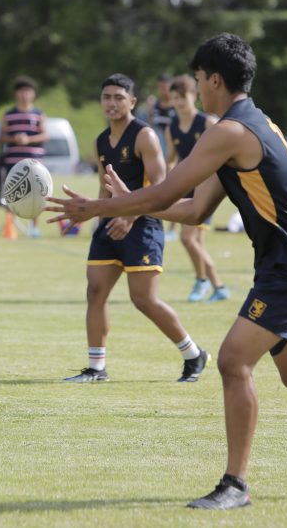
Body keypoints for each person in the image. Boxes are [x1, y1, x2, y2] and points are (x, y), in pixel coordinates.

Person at [48, 33, 287, 509]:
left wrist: (100, 205)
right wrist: (129, 206)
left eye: (198, 80)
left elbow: (161, 192)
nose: (196, 89)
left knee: (233, 361)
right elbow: (196, 209)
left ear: (214, 79)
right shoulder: (257, 125)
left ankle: (235, 485)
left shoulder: (228, 133)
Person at [63, 73, 209, 385]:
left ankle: (193, 353)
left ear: (132, 102)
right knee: (95, 291)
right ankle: (96, 367)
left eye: (118, 97)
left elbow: (161, 188)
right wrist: (91, 215)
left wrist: (129, 216)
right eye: (106, 97)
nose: (112, 103)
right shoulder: (101, 141)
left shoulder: (145, 136)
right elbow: (104, 190)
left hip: (143, 225)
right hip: (109, 226)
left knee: (143, 299)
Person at [165, 74, 229, 302]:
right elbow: (171, 160)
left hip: (206, 187)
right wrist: (168, 180)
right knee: (196, 243)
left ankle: (202, 283)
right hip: (187, 187)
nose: (179, 102)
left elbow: (220, 158)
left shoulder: (207, 123)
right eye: (174, 98)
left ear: (194, 95)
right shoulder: (172, 128)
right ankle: (218, 287)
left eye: (183, 96)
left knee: (187, 239)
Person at [0, 76, 48, 237]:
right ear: (16, 94)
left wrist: (29, 139)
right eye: (21, 92)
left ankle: (33, 228)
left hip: (35, 163)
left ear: (33, 94)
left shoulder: (38, 114)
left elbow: (45, 135)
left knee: (37, 195)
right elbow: (2, 137)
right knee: (11, 193)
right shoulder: (8, 115)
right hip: (13, 161)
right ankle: (11, 226)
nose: (24, 95)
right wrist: (15, 139)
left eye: (28, 92)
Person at [146, 73, 179, 241]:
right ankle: (156, 222)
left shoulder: (177, 107)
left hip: (173, 155)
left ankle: (173, 228)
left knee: (173, 189)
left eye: (165, 86)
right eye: (159, 86)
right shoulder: (156, 106)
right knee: (156, 188)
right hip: (157, 154)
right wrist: (150, 109)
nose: (162, 90)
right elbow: (151, 127)